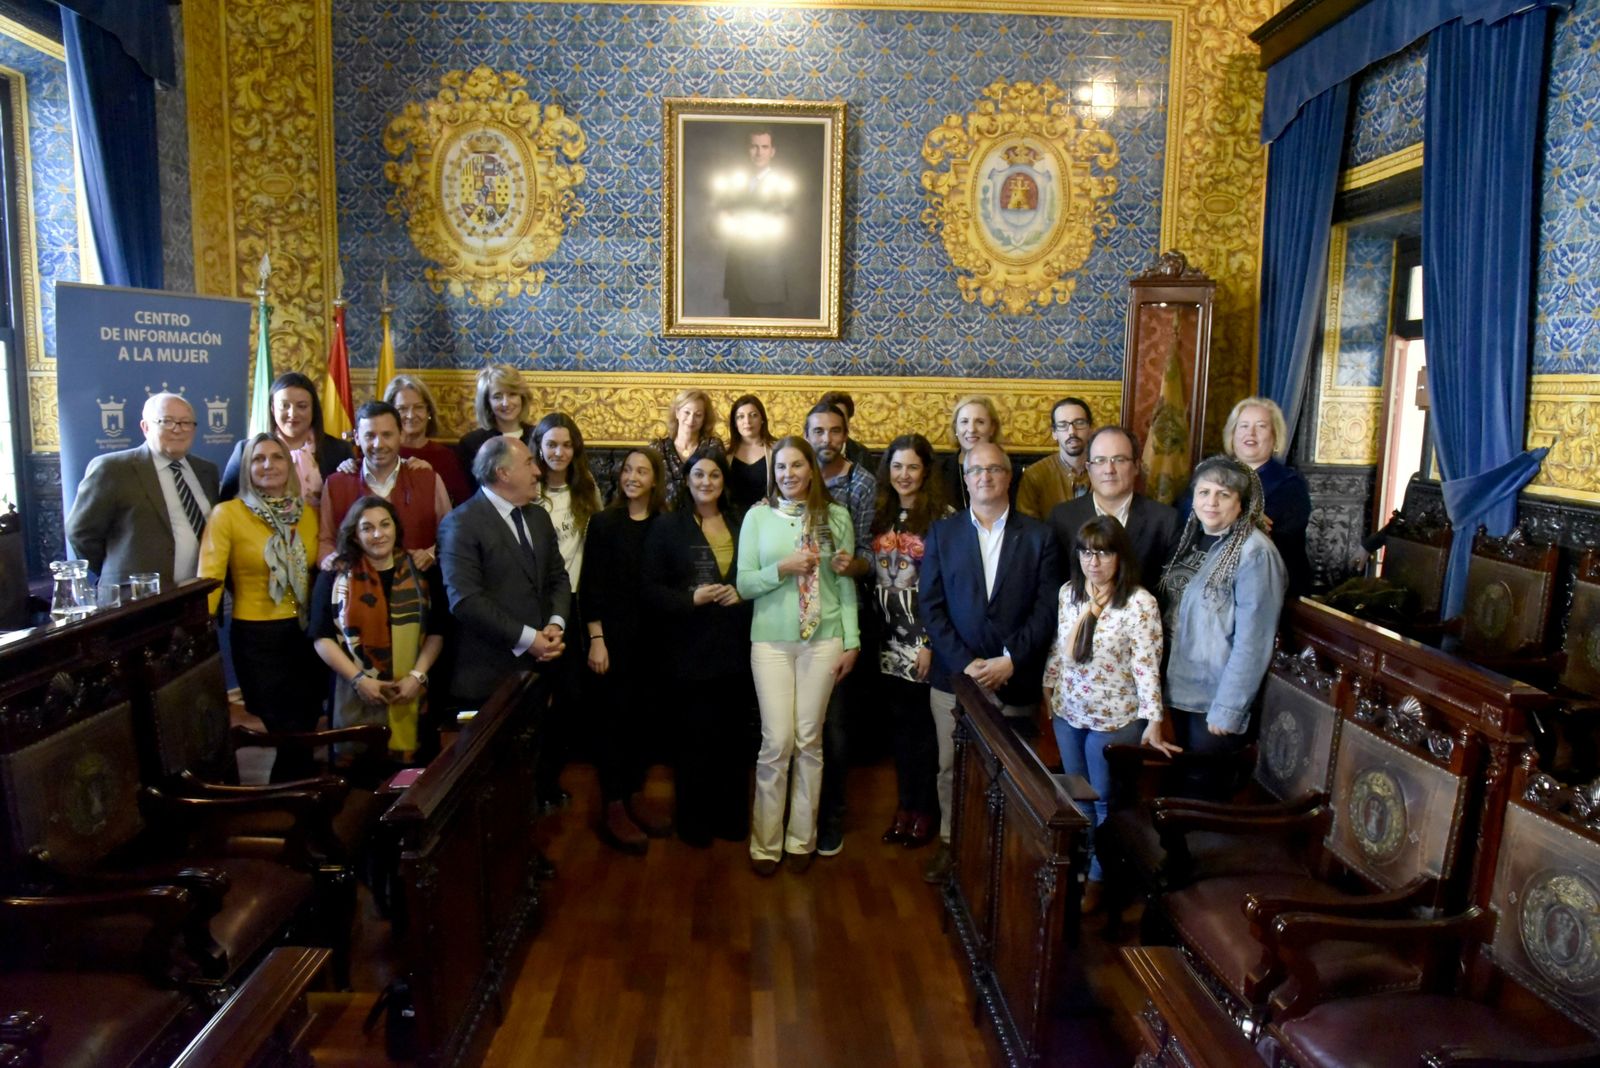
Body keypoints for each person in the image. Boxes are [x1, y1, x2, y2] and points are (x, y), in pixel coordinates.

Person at [920, 441, 1060, 882]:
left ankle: (1005, 853)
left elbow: (1046, 608)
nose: (985, 477)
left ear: (1009, 476)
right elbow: (932, 605)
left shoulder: (1038, 536)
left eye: (994, 469)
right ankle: (952, 844)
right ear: (965, 479)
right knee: (951, 766)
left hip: (1013, 680)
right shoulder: (943, 533)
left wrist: (1010, 660)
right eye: (975, 470)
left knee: (1014, 774)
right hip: (954, 680)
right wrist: (966, 664)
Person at [736, 436, 859, 876]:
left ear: (811, 470)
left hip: (823, 640)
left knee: (810, 738)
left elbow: (843, 583)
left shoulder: (836, 516)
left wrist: (852, 640)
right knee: (777, 741)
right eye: (781, 468)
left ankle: (801, 839)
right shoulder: (757, 518)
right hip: (770, 642)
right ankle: (766, 843)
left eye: (797, 466)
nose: (789, 474)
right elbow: (745, 584)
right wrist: (782, 569)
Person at [1042, 515, 1177, 909]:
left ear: (1120, 556)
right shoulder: (1069, 593)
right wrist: (1047, 689)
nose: (1093, 561)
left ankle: (1100, 877)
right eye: (1086, 552)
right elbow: (1058, 647)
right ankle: (1078, 867)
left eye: (1103, 552)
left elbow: (1146, 665)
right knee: (1075, 795)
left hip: (1115, 716)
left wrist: (1154, 720)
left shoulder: (1139, 603)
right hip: (1070, 710)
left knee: (1103, 799)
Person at [644, 448, 755, 848]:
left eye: (714, 476)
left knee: (733, 740)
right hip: (688, 652)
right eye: (699, 475)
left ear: (724, 482)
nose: (706, 482)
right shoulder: (667, 527)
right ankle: (694, 823)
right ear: (687, 481)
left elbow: (757, 577)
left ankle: (732, 819)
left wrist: (741, 593)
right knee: (694, 742)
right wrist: (690, 599)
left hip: (736, 651)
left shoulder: (743, 523)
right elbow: (650, 589)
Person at [1158, 455, 1287, 797]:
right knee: (1180, 787)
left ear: (1241, 504)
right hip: (1181, 688)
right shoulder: (1191, 538)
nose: (1211, 502)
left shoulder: (1255, 553)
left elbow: (1254, 640)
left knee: (1203, 792)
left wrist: (1228, 708)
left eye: (1223, 494)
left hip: (1213, 699)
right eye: (1204, 492)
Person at [198, 433, 323, 781]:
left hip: (306, 635)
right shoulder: (227, 514)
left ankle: (295, 800)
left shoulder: (309, 514)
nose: (268, 465)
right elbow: (209, 578)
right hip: (258, 639)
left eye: (277, 457)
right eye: (258, 459)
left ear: (289, 466)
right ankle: (300, 801)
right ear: (246, 470)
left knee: (304, 725)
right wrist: (199, 633)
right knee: (285, 728)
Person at [310, 496, 446, 765]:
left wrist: (416, 677)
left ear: (396, 528)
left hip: (414, 691)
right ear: (355, 535)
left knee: (415, 782)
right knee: (361, 786)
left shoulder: (423, 571)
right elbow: (321, 637)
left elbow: (438, 630)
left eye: (385, 525)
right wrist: (359, 680)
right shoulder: (335, 575)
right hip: (354, 691)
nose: (378, 534)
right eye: (367, 528)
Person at [437, 436, 570, 709]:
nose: (538, 471)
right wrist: (529, 639)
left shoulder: (539, 517)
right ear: (503, 473)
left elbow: (558, 577)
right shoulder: (461, 523)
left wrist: (556, 624)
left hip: (540, 671)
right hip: (488, 677)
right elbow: (465, 600)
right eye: (529, 463)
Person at [581, 447, 670, 853]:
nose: (633, 476)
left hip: (654, 641)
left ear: (656, 480)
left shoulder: (666, 525)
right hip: (612, 640)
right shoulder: (604, 523)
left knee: (647, 720)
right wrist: (596, 639)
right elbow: (591, 586)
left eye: (642, 470)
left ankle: (634, 794)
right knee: (613, 722)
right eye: (628, 469)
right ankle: (613, 804)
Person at [869, 434, 950, 850]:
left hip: (922, 640)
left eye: (913, 467)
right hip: (885, 640)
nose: (904, 475)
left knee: (924, 732)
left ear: (926, 471)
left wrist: (929, 641)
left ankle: (926, 811)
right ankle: (903, 807)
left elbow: (945, 588)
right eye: (897, 467)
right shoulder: (880, 513)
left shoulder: (944, 517)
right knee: (899, 731)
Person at [805, 400, 875, 857]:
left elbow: (868, 555)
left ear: (845, 434)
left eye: (834, 431)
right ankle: (798, 814)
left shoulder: (862, 483)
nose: (826, 439)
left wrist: (852, 566)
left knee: (834, 726)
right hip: (791, 621)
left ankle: (831, 817)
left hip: (841, 615)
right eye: (818, 431)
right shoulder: (792, 473)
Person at [66, 391, 219, 597]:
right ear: (145, 427)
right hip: (135, 600)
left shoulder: (206, 471)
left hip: (197, 596)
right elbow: (81, 532)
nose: (178, 429)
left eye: (186, 422)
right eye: (167, 421)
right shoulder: (113, 469)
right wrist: (121, 567)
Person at [532, 411, 604, 813]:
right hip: (538, 606)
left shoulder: (585, 488)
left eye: (566, 445)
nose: (559, 452)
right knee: (537, 697)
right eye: (551, 445)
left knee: (572, 697)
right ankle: (533, 782)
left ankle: (550, 775)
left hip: (576, 602)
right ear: (539, 448)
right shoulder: (530, 491)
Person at [1048, 426, 1180, 599]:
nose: (1109, 470)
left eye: (1119, 460)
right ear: (1088, 468)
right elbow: (1053, 586)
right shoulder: (1062, 518)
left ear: (1137, 466)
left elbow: (1171, 594)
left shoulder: (1165, 520)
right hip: (1078, 622)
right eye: (1100, 460)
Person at [319, 400, 451, 571]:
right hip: (356, 587)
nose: (378, 444)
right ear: (357, 438)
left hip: (419, 586)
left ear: (401, 435)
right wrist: (330, 560)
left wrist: (431, 554)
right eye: (370, 436)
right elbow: (325, 540)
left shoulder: (429, 480)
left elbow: (450, 535)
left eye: (387, 435)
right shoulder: (336, 484)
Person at [220, 371, 353, 507]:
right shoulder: (246, 450)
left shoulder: (339, 450)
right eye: (284, 406)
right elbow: (225, 503)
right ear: (272, 409)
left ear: (313, 409)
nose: (292, 414)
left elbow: (350, 506)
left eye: (302, 406)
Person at [1224, 396, 1313, 596]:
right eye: (1243, 425)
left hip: (1271, 589)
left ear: (1274, 437)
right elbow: (1188, 513)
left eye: (1261, 426)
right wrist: (1241, 518)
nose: (1251, 433)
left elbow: (1268, 533)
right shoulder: (1213, 475)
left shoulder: (1290, 484)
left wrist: (1221, 518)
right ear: (1232, 434)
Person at [718, 128, 801, 319]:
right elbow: (715, 225)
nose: (759, 152)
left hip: (766, 285)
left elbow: (786, 228)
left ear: (772, 151)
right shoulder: (734, 184)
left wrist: (740, 220)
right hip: (737, 282)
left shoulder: (785, 186)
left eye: (764, 147)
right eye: (754, 146)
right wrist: (724, 220)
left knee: (766, 348)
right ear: (747, 150)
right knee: (734, 345)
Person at [385, 373, 471, 505]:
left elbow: (462, 507)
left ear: (429, 412)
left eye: (418, 407)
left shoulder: (446, 457)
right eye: (402, 409)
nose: (410, 415)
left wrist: (432, 480)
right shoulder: (382, 452)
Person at [456, 364, 535, 489]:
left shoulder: (539, 437)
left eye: (512, 394)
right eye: (497, 397)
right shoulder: (471, 443)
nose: (506, 403)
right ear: (487, 403)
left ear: (522, 398)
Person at [1016, 396, 1093, 519]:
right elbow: (1028, 528)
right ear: (1054, 433)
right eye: (1063, 425)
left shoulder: (1104, 470)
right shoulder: (1035, 476)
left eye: (1079, 423)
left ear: (1090, 429)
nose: (1072, 431)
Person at [937, 395, 1018, 509]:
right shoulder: (937, 472)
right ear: (955, 428)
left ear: (992, 428)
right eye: (964, 421)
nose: (971, 429)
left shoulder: (1013, 473)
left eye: (980, 422)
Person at [650, 388, 724, 508]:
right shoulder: (658, 448)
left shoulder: (712, 446)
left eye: (698, 415)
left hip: (703, 517)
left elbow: (721, 485)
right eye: (687, 412)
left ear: (704, 418)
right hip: (664, 519)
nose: (691, 419)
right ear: (677, 413)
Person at [727, 393, 775, 511]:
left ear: (762, 419)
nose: (747, 421)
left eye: (753, 415)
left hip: (767, 514)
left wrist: (772, 501)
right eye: (740, 416)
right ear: (734, 422)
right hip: (731, 518)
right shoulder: (725, 452)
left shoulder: (777, 449)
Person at [817, 390, 871, 469]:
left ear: (848, 422)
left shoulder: (861, 454)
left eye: (840, 417)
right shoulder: (806, 451)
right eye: (830, 417)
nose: (834, 422)